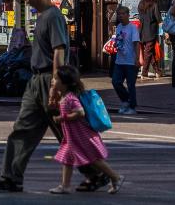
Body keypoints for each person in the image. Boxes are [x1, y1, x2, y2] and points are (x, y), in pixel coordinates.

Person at [0, 0, 106, 194]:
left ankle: (97, 173)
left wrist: (55, 86)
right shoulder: (42, 16)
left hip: (50, 81)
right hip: (36, 82)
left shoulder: (53, 16)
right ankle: (11, 177)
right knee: (23, 129)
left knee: (68, 132)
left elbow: (59, 52)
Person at [49, 65, 124, 195]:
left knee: (94, 160)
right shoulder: (65, 98)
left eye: (56, 79)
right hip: (72, 137)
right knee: (67, 159)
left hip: (82, 136)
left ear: (65, 83)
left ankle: (116, 177)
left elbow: (80, 112)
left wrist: (62, 118)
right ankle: (65, 186)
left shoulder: (70, 98)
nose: (53, 81)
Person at [109, 6, 139, 115]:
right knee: (116, 81)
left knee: (131, 85)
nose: (120, 16)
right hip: (119, 60)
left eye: (123, 14)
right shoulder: (119, 27)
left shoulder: (132, 28)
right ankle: (126, 101)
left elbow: (136, 43)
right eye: (119, 14)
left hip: (130, 61)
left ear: (128, 15)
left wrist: (137, 58)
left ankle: (132, 106)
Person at [137, 0, 161, 78]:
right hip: (151, 31)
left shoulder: (141, 4)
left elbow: (140, 17)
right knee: (148, 52)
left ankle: (157, 71)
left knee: (150, 52)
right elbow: (158, 18)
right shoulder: (154, 5)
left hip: (142, 31)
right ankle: (144, 72)